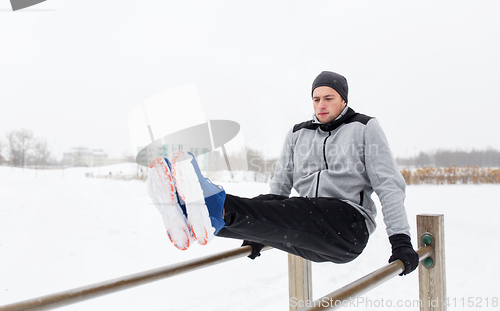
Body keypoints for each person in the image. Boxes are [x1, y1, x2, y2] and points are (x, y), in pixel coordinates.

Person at [147, 71, 419, 275]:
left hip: (347, 226)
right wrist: (259, 231)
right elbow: (279, 187)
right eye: (316, 99)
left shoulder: (364, 127)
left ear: (343, 100)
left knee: (295, 210)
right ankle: (191, 214)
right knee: (269, 204)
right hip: (307, 229)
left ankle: (213, 204)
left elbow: (389, 185)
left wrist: (400, 241)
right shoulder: (298, 133)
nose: (321, 105)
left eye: (328, 98)